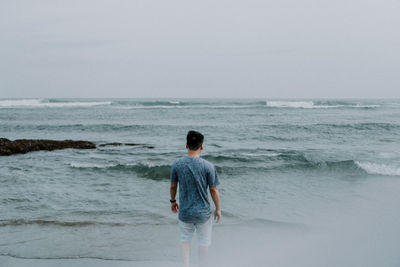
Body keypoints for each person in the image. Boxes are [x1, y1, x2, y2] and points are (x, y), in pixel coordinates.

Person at [170, 130, 221, 267]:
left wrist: (173, 201)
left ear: (186, 145)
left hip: (185, 212)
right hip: (203, 213)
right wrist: (218, 209)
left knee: (185, 240)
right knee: (204, 243)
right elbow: (214, 190)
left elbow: (173, 186)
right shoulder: (208, 166)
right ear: (202, 146)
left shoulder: (176, 164)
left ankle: (186, 265)